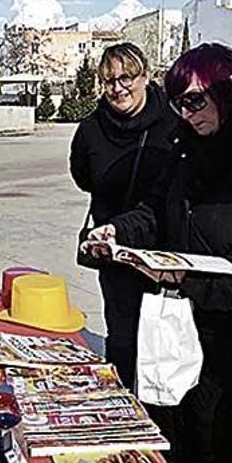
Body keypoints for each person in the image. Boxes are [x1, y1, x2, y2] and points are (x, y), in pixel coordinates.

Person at [89, 44, 232, 463]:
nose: (186, 113)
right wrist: (117, 231)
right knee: (186, 443)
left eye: (195, 100)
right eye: (179, 101)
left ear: (230, 89)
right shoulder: (186, 146)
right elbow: (154, 209)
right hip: (189, 329)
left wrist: (189, 276)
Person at [69, 42, 178, 390]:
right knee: (122, 338)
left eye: (127, 77)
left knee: (164, 344)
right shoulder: (90, 129)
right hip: (114, 252)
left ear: (145, 75)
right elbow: (82, 176)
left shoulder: (173, 122)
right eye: (110, 80)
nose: (118, 88)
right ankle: (121, 410)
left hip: (162, 251)